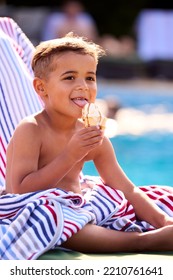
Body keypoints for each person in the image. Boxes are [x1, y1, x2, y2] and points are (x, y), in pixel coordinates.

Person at [2, 27, 173, 258]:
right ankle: (141, 241)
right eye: (70, 77)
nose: (83, 85)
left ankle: (157, 232)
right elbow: (21, 190)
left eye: (90, 77)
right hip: (31, 209)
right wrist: (70, 155)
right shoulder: (31, 129)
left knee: (144, 196)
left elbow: (125, 186)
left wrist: (164, 222)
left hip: (79, 206)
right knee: (50, 216)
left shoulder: (90, 131)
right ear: (41, 88)